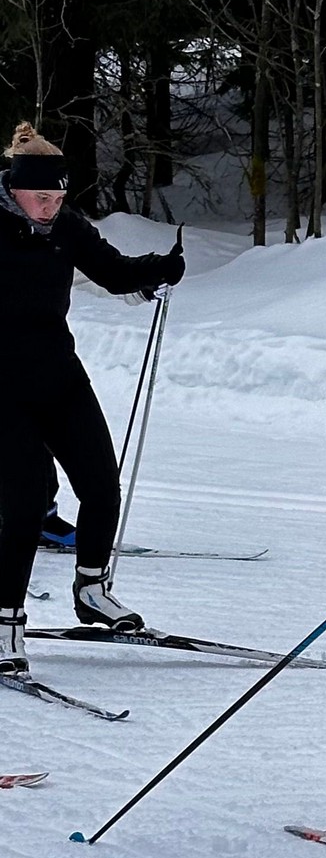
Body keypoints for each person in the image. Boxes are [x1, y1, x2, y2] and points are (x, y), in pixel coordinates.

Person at [0, 122, 185, 674]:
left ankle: (91, 590)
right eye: (41, 197)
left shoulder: (66, 226)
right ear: (14, 188)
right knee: (25, 504)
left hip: (59, 375)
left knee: (102, 484)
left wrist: (158, 268)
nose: (50, 207)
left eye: (58, 198)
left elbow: (113, 272)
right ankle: (6, 622)